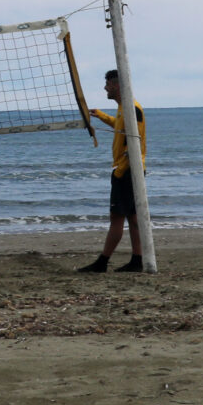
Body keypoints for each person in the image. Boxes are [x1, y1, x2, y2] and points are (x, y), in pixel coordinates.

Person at [77, 69, 148, 274]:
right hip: (128, 171)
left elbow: (133, 142)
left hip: (127, 172)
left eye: (108, 84)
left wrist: (120, 171)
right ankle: (136, 260)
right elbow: (120, 126)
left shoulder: (132, 109)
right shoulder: (124, 108)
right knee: (132, 217)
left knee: (118, 217)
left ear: (116, 86)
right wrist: (101, 116)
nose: (105, 88)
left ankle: (103, 262)